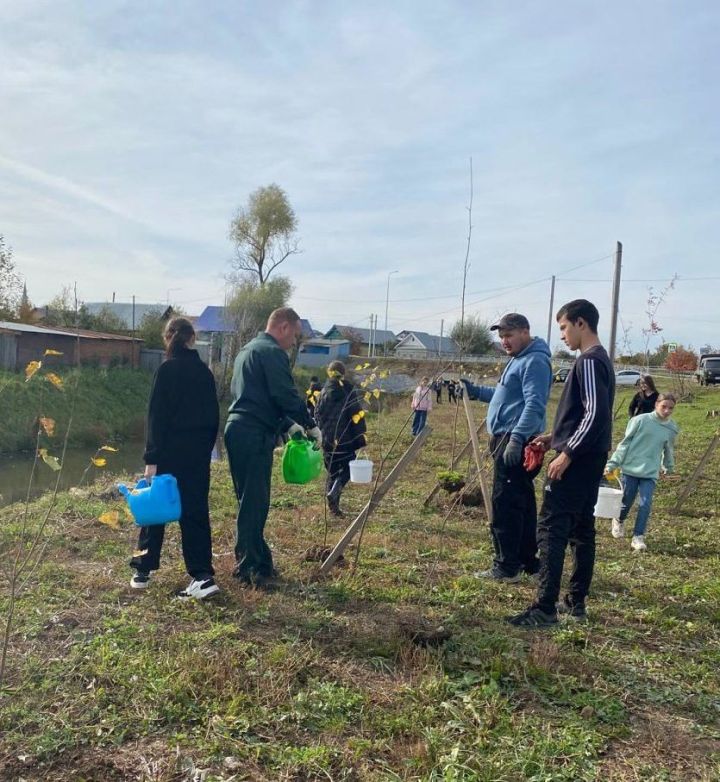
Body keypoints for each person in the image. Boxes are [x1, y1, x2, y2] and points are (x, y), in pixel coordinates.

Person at [508, 299, 614, 627]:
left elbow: (595, 414)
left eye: (564, 328)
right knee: (582, 529)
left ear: (581, 323)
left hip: (578, 462)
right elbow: (585, 415)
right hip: (590, 459)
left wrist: (567, 452)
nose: (563, 336)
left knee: (551, 529)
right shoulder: (602, 361)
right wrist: (553, 438)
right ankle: (576, 602)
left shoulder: (589, 361)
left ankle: (544, 607)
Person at [224, 308, 321, 585]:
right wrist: (309, 423)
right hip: (253, 432)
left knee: (248, 500)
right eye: (295, 336)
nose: (294, 343)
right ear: (283, 327)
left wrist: (287, 425)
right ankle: (251, 570)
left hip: (238, 428)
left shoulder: (247, 350)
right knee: (254, 503)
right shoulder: (272, 353)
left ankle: (258, 561)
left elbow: (259, 396)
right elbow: (284, 394)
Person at [129, 317, 220, 600]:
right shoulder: (205, 373)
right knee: (195, 512)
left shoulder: (166, 370)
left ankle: (143, 570)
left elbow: (157, 418)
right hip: (196, 456)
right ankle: (202, 575)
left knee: (154, 510)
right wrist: (205, 452)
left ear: (167, 338)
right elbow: (214, 418)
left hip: (168, 453)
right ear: (192, 339)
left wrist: (151, 458)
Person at [462, 313, 552, 582]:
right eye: (501, 336)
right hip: (508, 438)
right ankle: (527, 561)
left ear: (525, 331)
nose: (504, 341)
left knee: (506, 503)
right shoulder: (519, 360)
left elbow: (535, 404)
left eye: (509, 335)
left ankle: (506, 566)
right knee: (521, 501)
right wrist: (476, 391)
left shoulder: (534, 361)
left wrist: (516, 438)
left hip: (514, 441)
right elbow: (505, 397)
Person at [607, 393, 678, 551]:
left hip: (650, 471)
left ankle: (638, 536)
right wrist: (613, 463)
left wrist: (668, 467)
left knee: (645, 504)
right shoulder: (639, 421)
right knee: (626, 501)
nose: (667, 411)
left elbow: (668, 450)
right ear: (656, 405)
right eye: (664, 406)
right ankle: (618, 519)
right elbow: (624, 444)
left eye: (670, 408)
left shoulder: (671, 428)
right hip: (631, 468)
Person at [314, 361, 367, 517]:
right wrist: (360, 437)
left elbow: (317, 414)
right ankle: (335, 491)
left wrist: (321, 433)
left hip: (327, 440)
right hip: (345, 439)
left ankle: (333, 507)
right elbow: (356, 415)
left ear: (329, 373)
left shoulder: (323, 391)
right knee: (349, 469)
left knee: (332, 472)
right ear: (343, 374)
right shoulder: (348, 390)